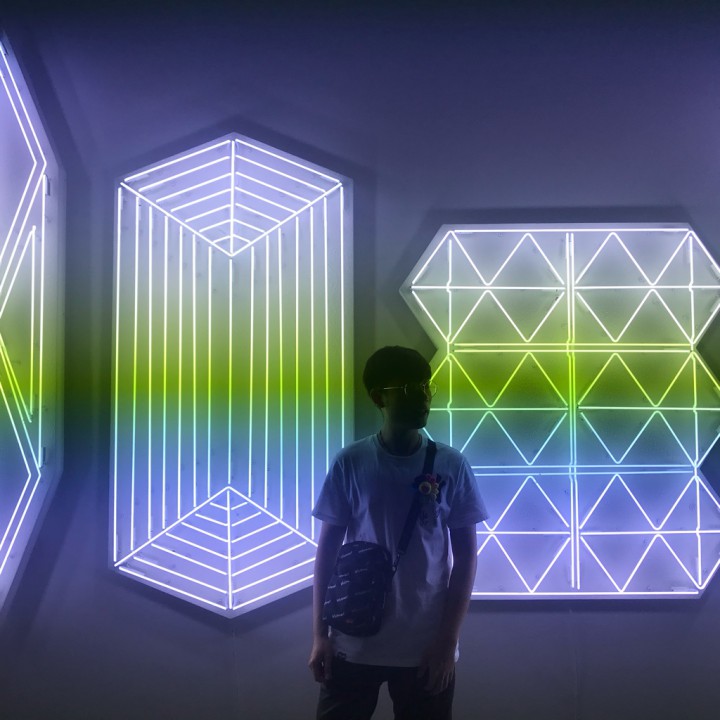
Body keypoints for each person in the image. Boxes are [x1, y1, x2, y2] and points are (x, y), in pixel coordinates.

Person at [308, 346, 488, 720]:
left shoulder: (451, 464)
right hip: (353, 641)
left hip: (425, 647)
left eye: (425, 386)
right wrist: (320, 635)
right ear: (379, 398)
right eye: (408, 388)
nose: (422, 396)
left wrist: (447, 642)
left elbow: (467, 558)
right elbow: (327, 552)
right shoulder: (351, 462)